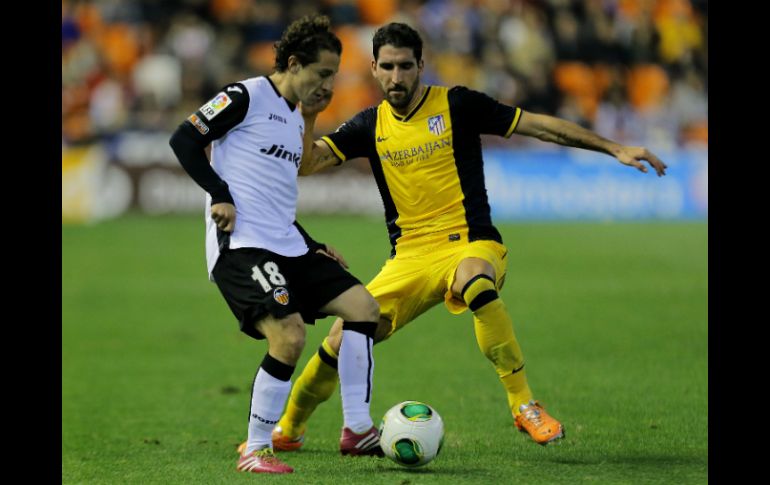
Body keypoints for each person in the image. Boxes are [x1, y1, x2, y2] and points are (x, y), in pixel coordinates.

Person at [271, 22, 668, 449]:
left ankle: (523, 405)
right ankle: (289, 428)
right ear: (373, 68)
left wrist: (614, 147)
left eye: (405, 66)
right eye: (387, 67)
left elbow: (539, 126)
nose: (396, 77)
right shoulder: (369, 124)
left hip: (470, 242)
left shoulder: (457, 104)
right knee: (341, 339)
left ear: (421, 65)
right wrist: (308, 115)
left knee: (475, 282)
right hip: (409, 257)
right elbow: (307, 164)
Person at [169, 15, 383, 475]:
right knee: (288, 336)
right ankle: (256, 448)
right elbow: (184, 138)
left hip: (287, 242)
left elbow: (274, 198)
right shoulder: (245, 96)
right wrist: (219, 193)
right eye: (322, 73)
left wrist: (311, 243)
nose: (329, 85)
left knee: (364, 307)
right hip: (241, 245)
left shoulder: (293, 117)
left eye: (334, 75)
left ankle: (358, 430)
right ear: (294, 63)